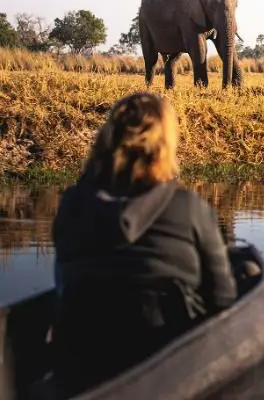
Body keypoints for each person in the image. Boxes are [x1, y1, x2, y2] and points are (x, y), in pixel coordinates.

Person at [51, 91, 237, 397]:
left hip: (83, 358)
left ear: (107, 140)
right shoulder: (188, 208)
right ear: (166, 146)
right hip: (167, 356)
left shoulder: (72, 205)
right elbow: (223, 300)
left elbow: (62, 284)